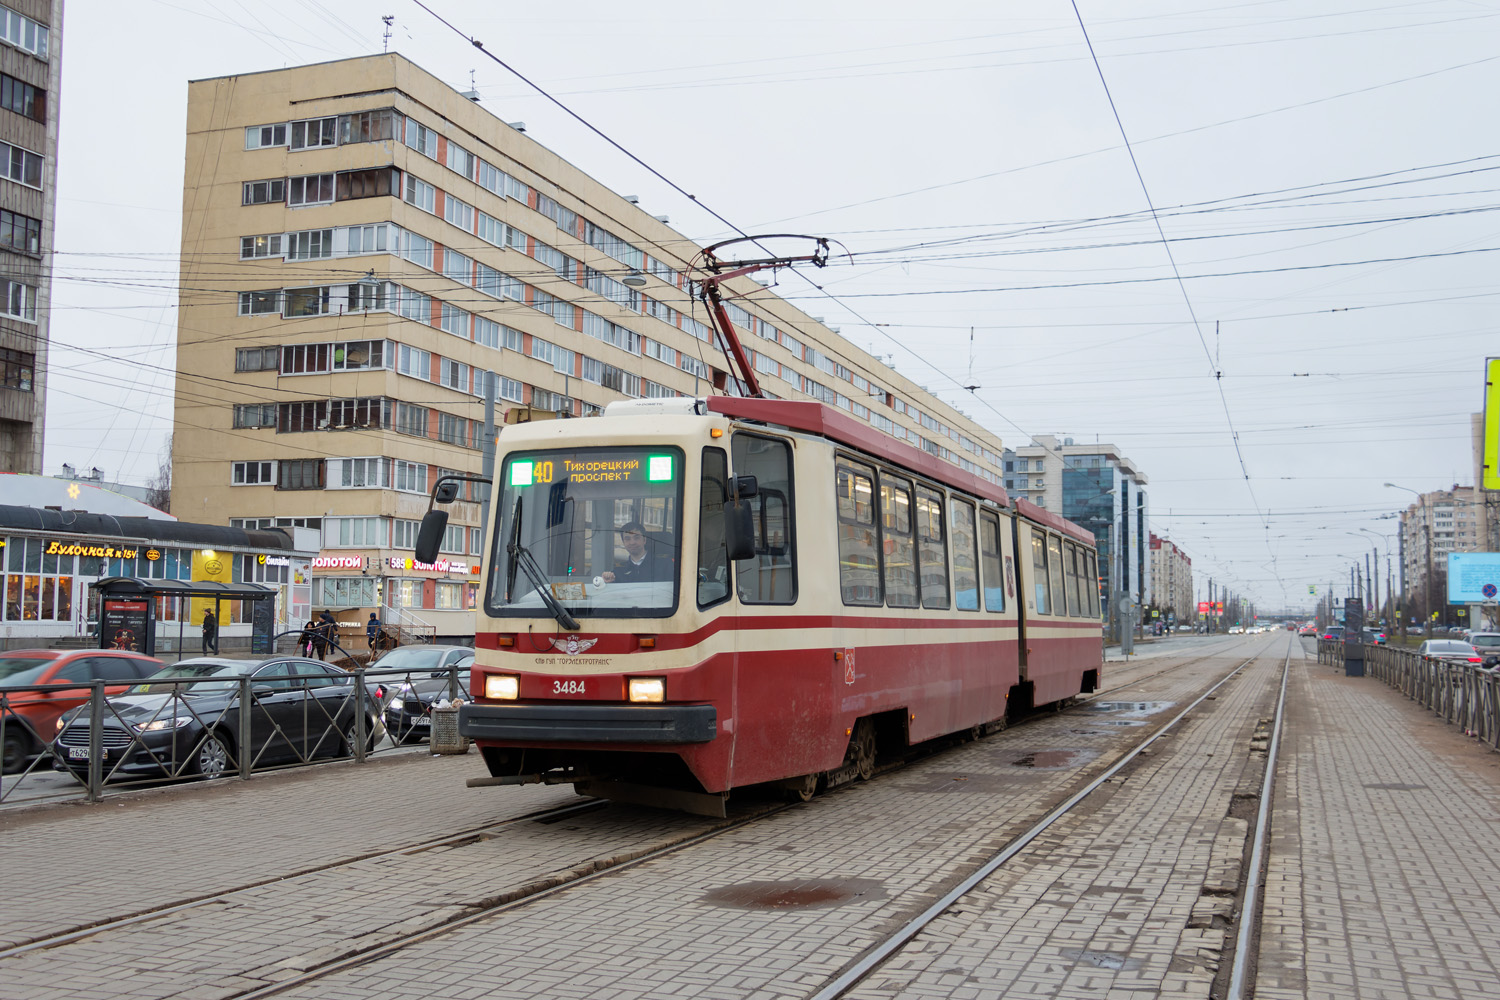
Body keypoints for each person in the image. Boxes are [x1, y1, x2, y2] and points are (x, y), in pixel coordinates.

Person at [601, 520, 672, 583]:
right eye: (627, 539)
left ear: (644, 540)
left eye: (636, 538)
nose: (632, 542)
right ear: (623, 543)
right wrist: (607, 581)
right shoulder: (618, 572)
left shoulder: (665, 565)